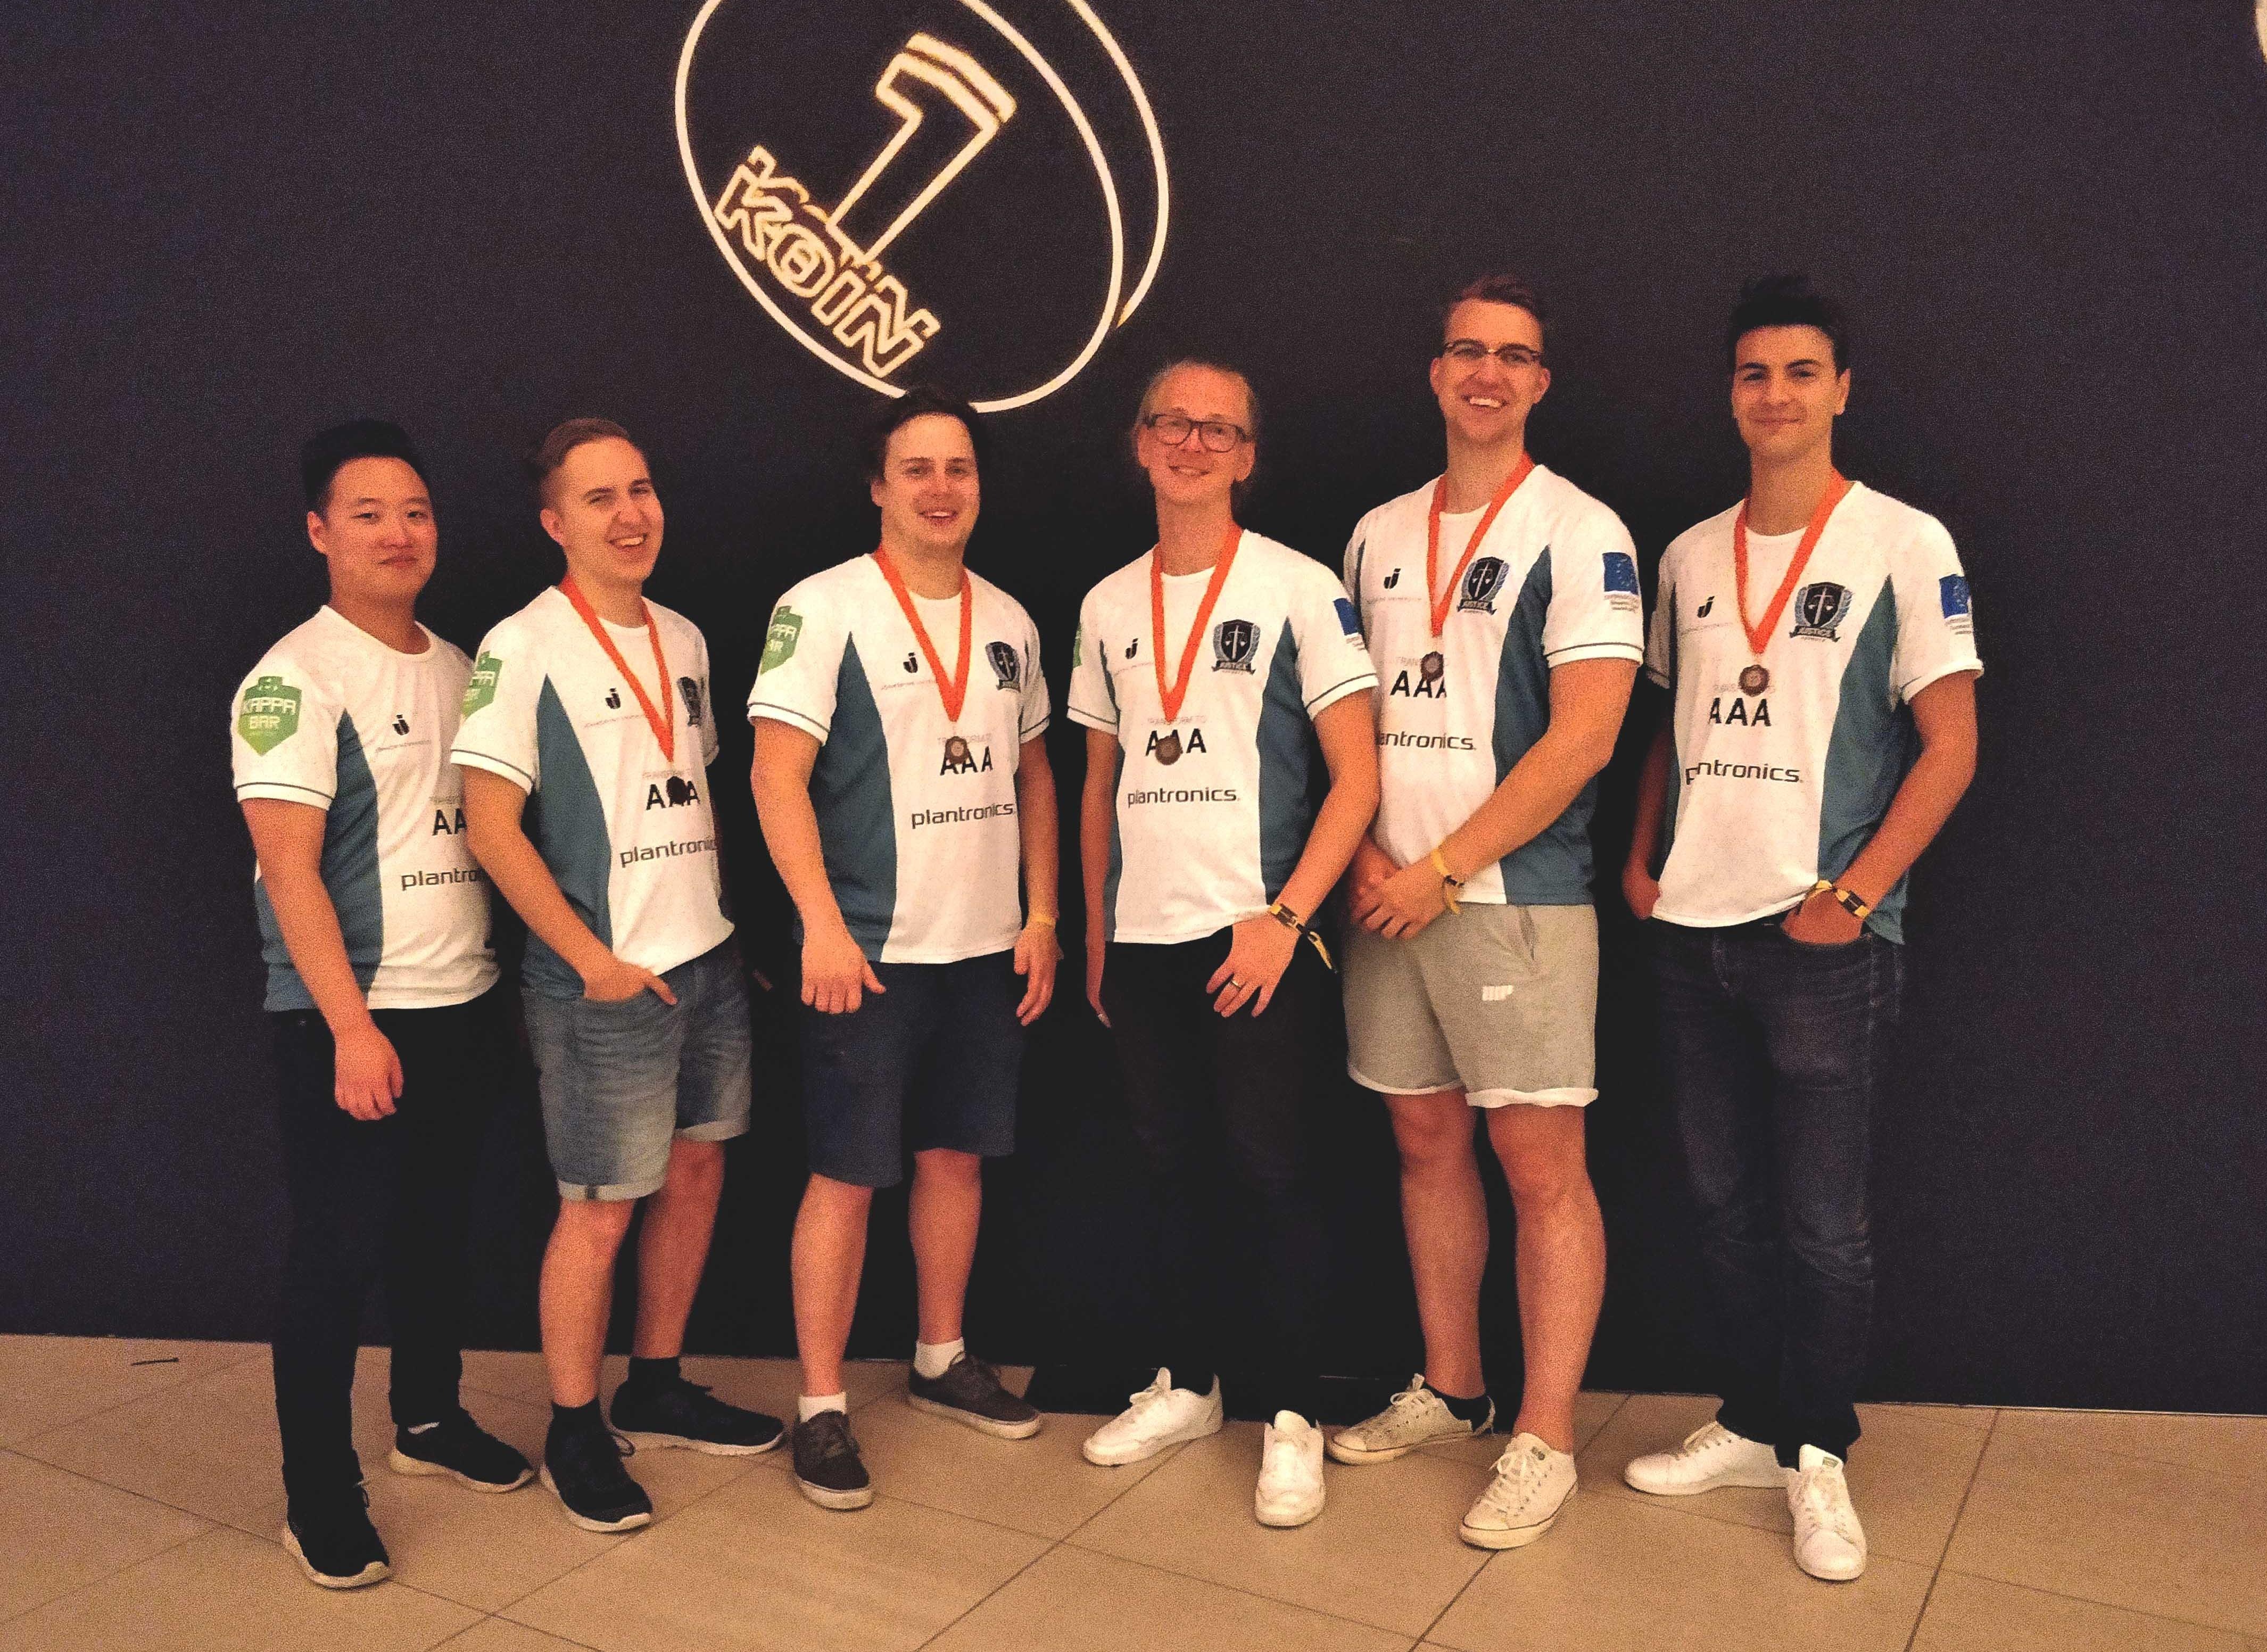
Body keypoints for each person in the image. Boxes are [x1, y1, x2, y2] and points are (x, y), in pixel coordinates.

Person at [1619, 277, 1982, 1582]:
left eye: (1801, 371)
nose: (1775, 394)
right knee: (1722, 1207)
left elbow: (1952, 744)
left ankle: (1818, 1449)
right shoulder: (1688, 556)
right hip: (1691, 932)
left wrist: (1858, 893)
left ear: (1843, 390)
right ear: (1731, 393)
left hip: (1822, 941)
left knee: (1826, 1223)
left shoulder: (1903, 541)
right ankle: (1754, 1417)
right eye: (1754, 373)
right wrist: (1642, 858)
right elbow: (1665, 723)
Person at [1327, 276, 1641, 1550]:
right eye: (1467, 350)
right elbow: (1345, 713)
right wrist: (1366, 855)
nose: (1488, 373)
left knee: (1539, 1164)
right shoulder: (1375, 532)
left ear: (1541, 383)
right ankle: (1455, 1388)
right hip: (1385, 895)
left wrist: (1444, 868)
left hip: (1513, 899)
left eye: (1514, 356)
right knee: (1422, 1141)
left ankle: (1546, 1435)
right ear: (1436, 370)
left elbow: (1587, 736)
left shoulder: (1582, 529)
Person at [453, 419, 781, 1534]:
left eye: (641, 490)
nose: (630, 514)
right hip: (603, 978)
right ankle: (573, 1425)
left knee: (696, 1174)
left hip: (706, 962)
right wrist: (591, 959)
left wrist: (726, 928)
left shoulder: (683, 637)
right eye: (600, 498)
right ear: (555, 522)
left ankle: (656, 1383)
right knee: (597, 1211)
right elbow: (489, 824)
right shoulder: (522, 645)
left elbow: (697, 795)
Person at [1068, 360, 1379, 1529]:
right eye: (1173, 424)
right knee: (1168, 1168)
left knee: (1272, 1172)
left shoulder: (1299, 587)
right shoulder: (1106, 604)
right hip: (1145, 936)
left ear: (1247, 455)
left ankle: (1290, 1415)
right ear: (1140, 442)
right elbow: (1096, 781)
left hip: (1259, 936)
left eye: (1218, 430)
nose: (1193, 444)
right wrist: (1097, 928)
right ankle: (1189, 1386)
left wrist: (1288, 918)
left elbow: (1358, 778)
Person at [748, 387, 1059, 1510]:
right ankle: (821, 1404)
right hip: (867, 951)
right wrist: (821, 925)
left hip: (984, 949)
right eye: (917, 469)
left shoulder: (1012, 620)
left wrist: (1042, 915)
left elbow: (1035, 773)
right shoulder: (822, 607)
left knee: (954, 1159)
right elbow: (773, 775)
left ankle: (940, 1356)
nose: (940, 488)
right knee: (845, 1176)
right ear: (879, 487)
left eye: (958, 468)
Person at [233, 420, 532, 1589]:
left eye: (415, 512)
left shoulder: (462, 668)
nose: (399, 533)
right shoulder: (294, 679)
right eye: (368, 514)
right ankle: (318, 1493)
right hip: (350, 1018)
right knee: (337, 1253)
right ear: (320, 532)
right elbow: (288, 869)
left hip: (463, 1002)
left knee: (437, 1233)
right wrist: (352, 1028)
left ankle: (428, 1417)